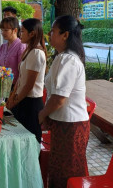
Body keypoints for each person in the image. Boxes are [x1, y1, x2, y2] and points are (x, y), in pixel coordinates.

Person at [38, 15, 89, 188]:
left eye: (53, 31)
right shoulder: (63, 57)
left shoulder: (68, 59)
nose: (49, 34)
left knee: (69, 172)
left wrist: (42, 115)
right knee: (61, 169)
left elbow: (59, 99)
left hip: (71, 125)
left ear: (65, 35)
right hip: (64, 123)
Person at [6, 18, 47, 143]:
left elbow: (29, 85)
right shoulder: (28, 50)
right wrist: (13, 97)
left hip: (31, 103)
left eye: (22, 31)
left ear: (32, 33)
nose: (20, 34)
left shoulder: (36, 53)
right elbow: (20, 79)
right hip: (23, 100)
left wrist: (14, 102)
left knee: (30, 141)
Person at [0, 17, 26, 86]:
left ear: (15, 30)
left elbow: (22, 71)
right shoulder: (2, 47)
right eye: (2, 30)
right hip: (2, 85)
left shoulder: (21, 46)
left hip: (15, 86)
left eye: (6, 30)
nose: (3, 33)